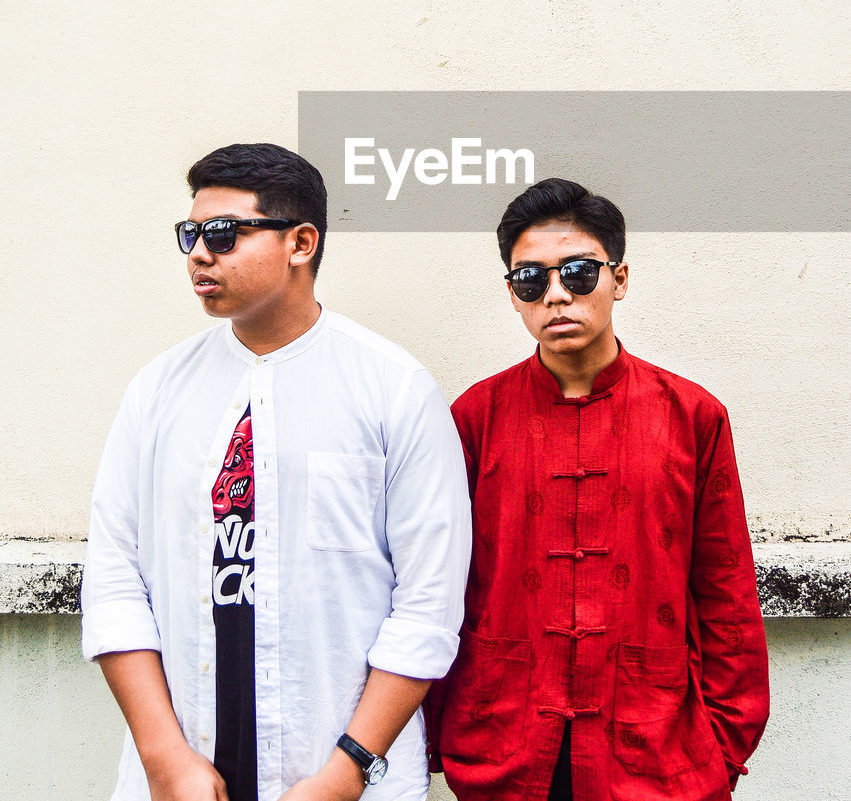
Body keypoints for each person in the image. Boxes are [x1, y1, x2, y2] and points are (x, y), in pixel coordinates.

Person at [82, 143, 471, 801]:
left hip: (335, 771)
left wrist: (346, 773)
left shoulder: (392, 389)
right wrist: (163, 759)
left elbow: (427, 606)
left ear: (300, 243)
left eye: (225, 233)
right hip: (187, 770)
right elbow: (116, 582)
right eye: (191, 235)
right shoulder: (157, 391)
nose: (200, 254)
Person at [426, 178, 769, 801]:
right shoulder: (476, 416)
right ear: (513, 295)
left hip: (653, 747)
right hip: (506, 739)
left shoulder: (692, 417)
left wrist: (725, 745)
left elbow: (727, 592)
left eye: (579, 274)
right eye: (531, 280)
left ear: (621, 278)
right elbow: (441, 582)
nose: (556, 296)